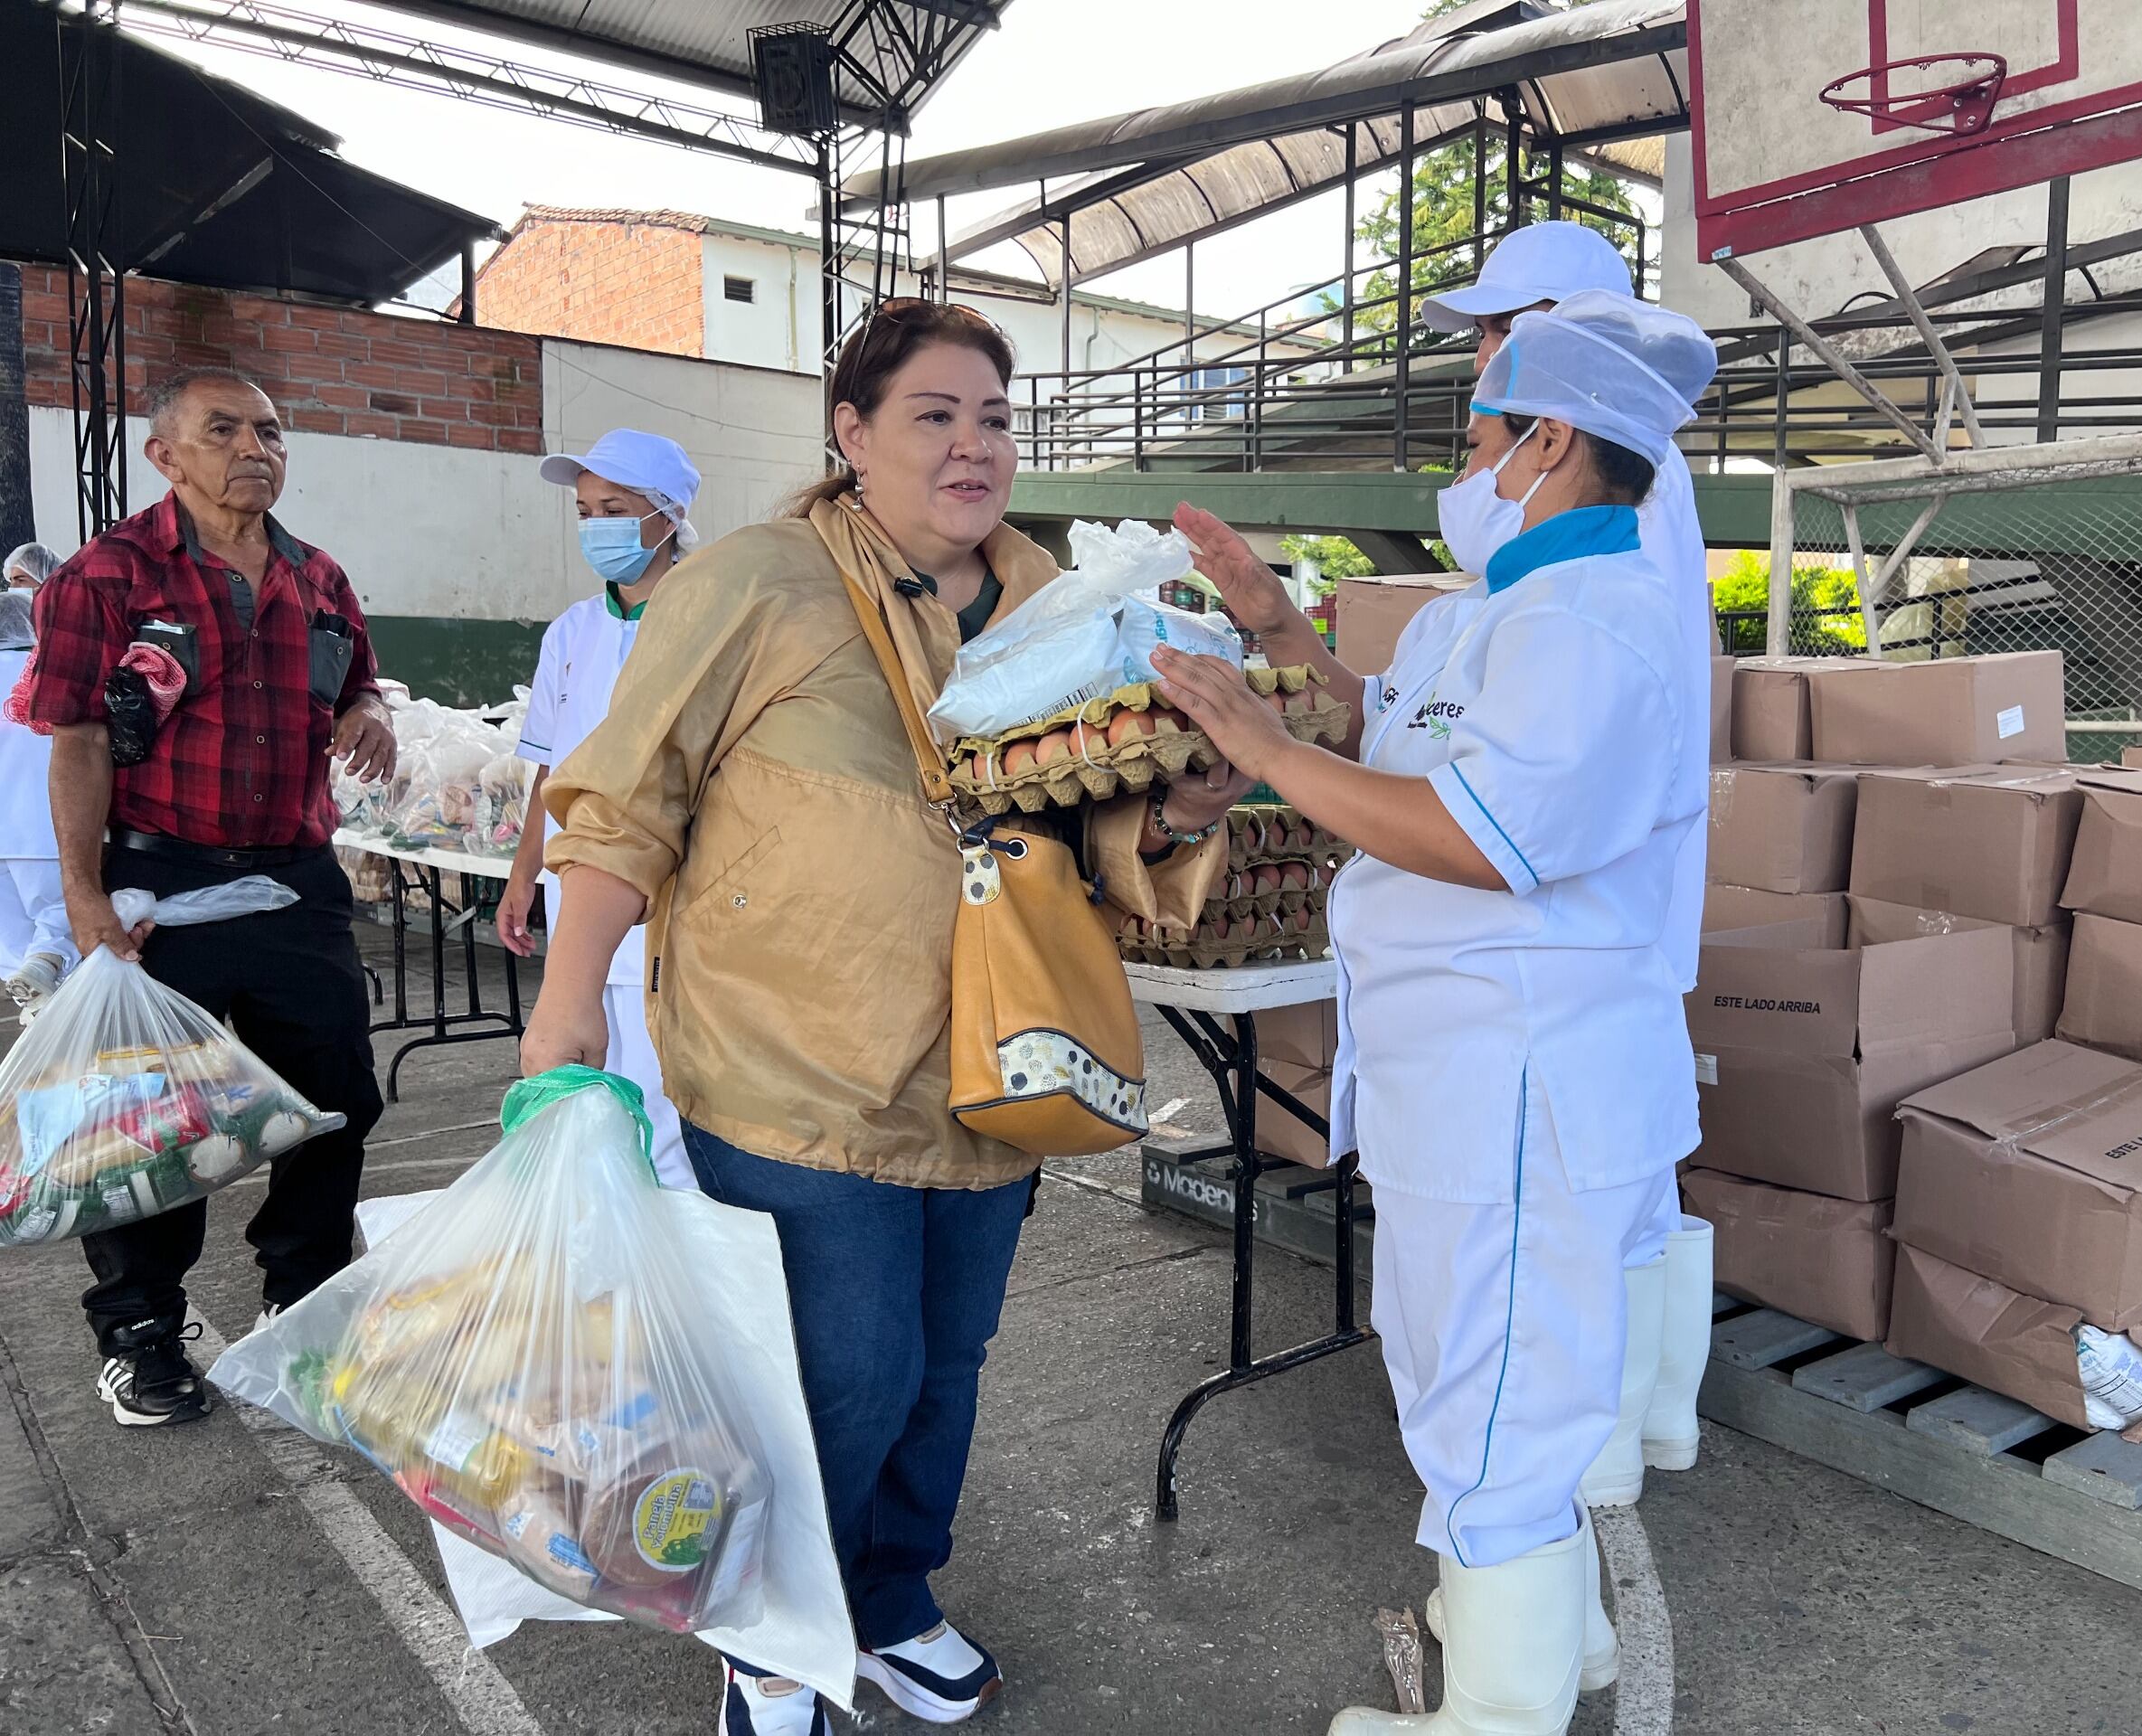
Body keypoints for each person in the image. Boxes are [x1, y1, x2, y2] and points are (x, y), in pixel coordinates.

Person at [520, 299, 1241, 1736]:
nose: (972, 444)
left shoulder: (1065, 607)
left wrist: (1181, 805)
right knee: (840, 1369)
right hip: (796, 1068)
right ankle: (777, 1632)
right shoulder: (753, 583)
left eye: (994, 416)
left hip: (995, 1060)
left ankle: (893, 1593)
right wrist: (563, 1012)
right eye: (933, 414)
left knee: (947, 1364)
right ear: (850, 434)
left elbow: (1109, 846)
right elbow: (625, 800)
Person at [1153, 293, 1719, 1736]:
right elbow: (1383, 732)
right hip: (1457, 1082)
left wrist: (1266, 747)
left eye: (1477, 440)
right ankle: (1554, 1639)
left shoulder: (1598, 629)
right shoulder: (1507, 611)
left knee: (1496, 1410)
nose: (1459, 475)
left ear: (1550, 440)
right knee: (1467, 1381)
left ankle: (1499, 1718)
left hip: (1519, 1084)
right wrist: (1277, 631)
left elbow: (1475, 833)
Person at [23, 367, 392, 1428]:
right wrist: (86, 896)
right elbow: (79, 741)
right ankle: (140, 1330)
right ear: (165, 456)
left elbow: (358, 676)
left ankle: (304, 1291)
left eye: (271, 430)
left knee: (337, 1102)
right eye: (223, 428)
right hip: (159, 882)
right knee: (151, 1125)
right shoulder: (104, 578)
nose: (255, 448)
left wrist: (369, 709)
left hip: (294, 882)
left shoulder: (318, 576)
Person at [1428, 221, 1718, 1517]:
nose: (1480, 371)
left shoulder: (1591, 561)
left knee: (1561, 1273)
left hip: (1562, 950)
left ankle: (1592, 1466)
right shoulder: (1641, 502)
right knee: (1629, 1196)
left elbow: (1513, 798)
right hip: (1614, 921)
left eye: (1498, 337)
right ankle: (1636, 1436)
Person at [499, 429, 703, 1189]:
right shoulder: (572, 633)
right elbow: (552, 768)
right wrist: (522, 877)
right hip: (576, 893)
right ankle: (613, 1238)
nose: (596, 527)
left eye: (614, 508)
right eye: (586, 510)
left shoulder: (703, 619)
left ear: (666, 514)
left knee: (665, 1104)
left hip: (664, 900)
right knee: (587, 1085)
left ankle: (668, 1250)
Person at [0, 587, 75, 1016]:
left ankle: (37, 1016)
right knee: (57, 923)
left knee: (12, 950)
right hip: (41, 825)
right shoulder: (44, 674)